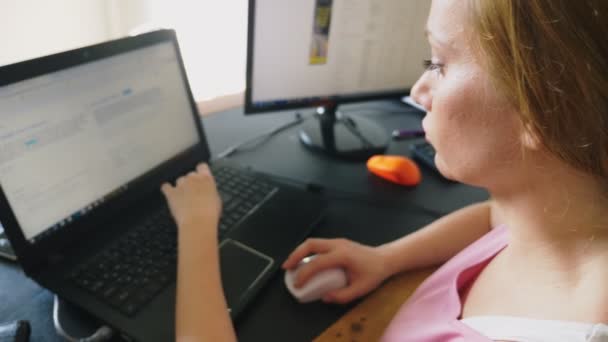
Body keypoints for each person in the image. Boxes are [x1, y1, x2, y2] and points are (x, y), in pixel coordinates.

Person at [161, 0, 608, 340]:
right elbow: (494, 221)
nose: (419, 88)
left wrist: (197, 229)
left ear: (547, 110)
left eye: (440, 62)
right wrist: (386, 258)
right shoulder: (557, 216)